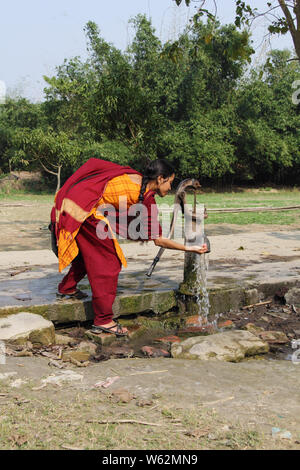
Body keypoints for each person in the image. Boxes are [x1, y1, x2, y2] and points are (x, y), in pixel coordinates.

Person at [51, 158, 208, 337]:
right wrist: (190, 249)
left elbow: (154, 236)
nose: (170, 188)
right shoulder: (141, 193)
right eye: (170, 182)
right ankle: (103, 320)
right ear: (160, 179)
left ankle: (67, 288)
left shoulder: (139, 185)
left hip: (76, 201)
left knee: (90, 254)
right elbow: (159, 240)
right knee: (108, 262)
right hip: (83, 208)